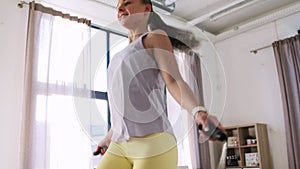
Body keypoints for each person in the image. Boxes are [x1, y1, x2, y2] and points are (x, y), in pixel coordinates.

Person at [95, 0, 225, 168]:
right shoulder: (117, 56)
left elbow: (173, 80)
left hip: (154, 141)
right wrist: (108, 138)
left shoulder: (154, 37)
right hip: (119, 144)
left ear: (147, 9)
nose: (120, 8)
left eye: (127, 2)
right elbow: (122, 108)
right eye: (118, 6)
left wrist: (198, 112)